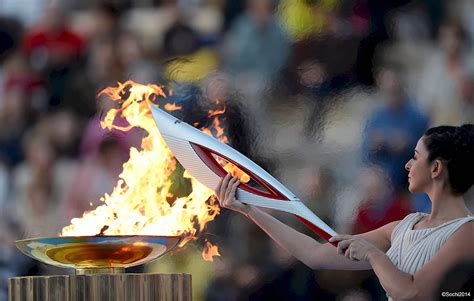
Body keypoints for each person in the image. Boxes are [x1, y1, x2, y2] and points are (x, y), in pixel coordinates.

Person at [216, 124, 474, 300]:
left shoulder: (466, 232)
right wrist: (250, 211)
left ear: (436, 168)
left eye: (416, 157)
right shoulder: (403, 227)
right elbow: (314, 254)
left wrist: (374, 255)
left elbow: (413, 294)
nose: (407, 164)